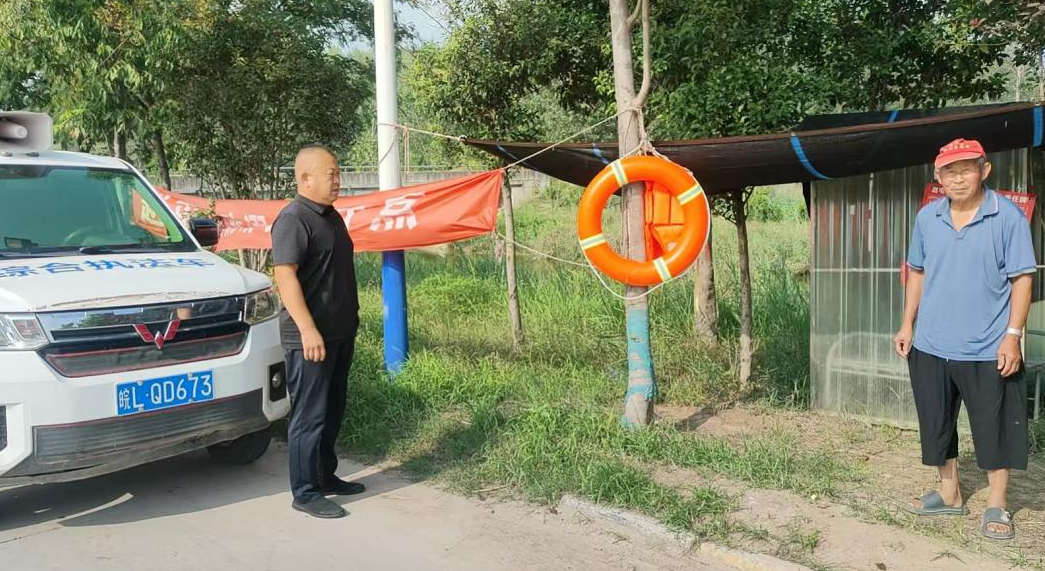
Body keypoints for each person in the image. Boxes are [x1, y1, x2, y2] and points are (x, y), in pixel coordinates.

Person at [893, 138, 1035, 540]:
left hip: (988, 348)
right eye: (949, 172)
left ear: (984, 170)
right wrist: (907, 324)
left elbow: (1022, 279)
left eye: (966, 169)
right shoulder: (928, 217)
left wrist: (1012, 336)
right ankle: (949, 493)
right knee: (936, 424)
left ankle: (997, 504)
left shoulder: (1007, 217)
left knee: (995, 428)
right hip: (931, 344)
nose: (957, 178)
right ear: (937, 176)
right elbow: (917, 272)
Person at [272, 144, 363, 519]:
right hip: (310, 339)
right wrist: (308, 329)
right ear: (305, 178)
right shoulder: (294, 219)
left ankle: (325, 476)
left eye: (339, 173)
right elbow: (285, 276)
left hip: (339, 334)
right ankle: (305, 491)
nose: (338, 180)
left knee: (332, 409)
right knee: (309, 416)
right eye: (331, 174)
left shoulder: (331, 216)